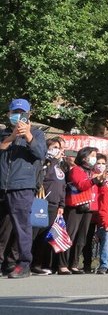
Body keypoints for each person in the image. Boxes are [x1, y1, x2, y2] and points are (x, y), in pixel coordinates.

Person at [0, 99, 47, 279]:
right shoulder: (3, 133)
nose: (17, 116)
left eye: (22, 112)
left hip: (22, 187)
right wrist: (11, 137)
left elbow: (40, 154)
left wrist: (27, 136)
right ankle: (4, 263)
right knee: (3, 229)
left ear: (29, 115)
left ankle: (24, 264)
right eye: (14, 112)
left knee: (22, 227)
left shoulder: (37, 134)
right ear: (9, 114)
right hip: (2, 186)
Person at [59, 146, 104, 274]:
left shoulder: (92, 171)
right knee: (70, 235)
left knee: (81, 238)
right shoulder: (76, 170)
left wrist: (100, 181)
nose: (94, 158)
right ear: (84, 157)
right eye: (92, 155)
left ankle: (74, 263)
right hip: (76, 206)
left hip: (89, 207)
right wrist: (95, 180)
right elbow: (82, 185)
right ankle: (62, 264)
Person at [30, 137, 67, 275]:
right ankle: (26, 261)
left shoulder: (59, 166)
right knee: (34, 234)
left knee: (44, 236)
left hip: (54, 205)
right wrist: (53, 160)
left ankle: (37, 264)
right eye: (54, 147)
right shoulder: (44, 163)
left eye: (59, 147)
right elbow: (45, 176)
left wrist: (61, 204)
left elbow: (62, 186)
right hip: (41, 202)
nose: (57, 150)